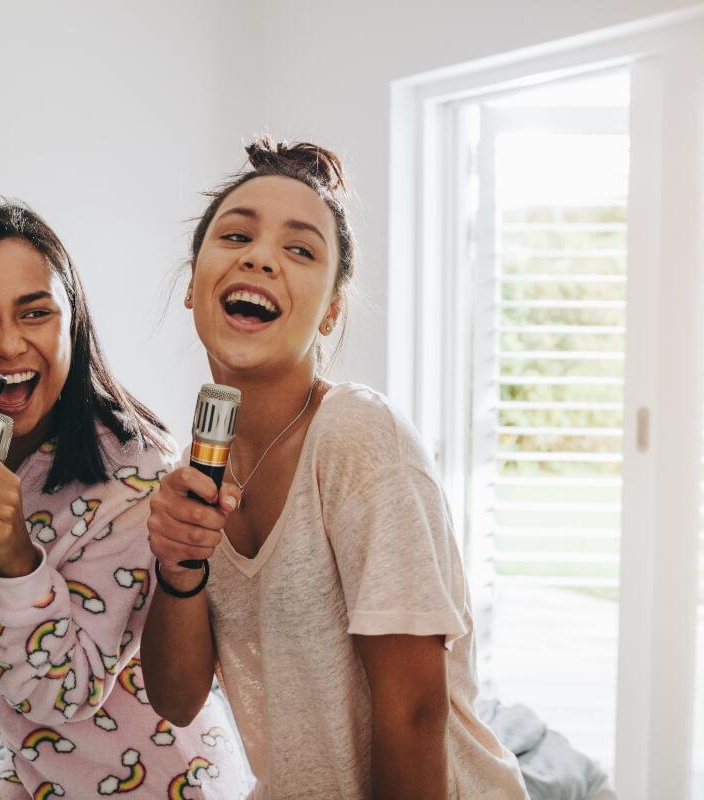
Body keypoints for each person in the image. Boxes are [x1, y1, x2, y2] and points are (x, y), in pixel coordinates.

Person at [140, 138, 531, 799]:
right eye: (236, 235)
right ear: (192, 285)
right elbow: (176, 701)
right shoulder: (199, 469)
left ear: (330, 311)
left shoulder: (355, 436)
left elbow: (414, 712)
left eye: (300, 250)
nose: (259, 256)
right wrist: (177, 569)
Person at [0, 200, 247, 799]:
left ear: (73, 320)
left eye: (35, 313)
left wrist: (18, 561)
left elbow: (64, 693)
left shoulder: (134, 472)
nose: (9, 345)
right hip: (43, 778)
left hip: (166, 785)